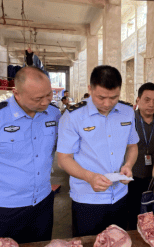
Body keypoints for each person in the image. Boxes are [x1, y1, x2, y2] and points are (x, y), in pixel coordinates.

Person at [0, 67, 61, 243]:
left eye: (49, 95)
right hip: (2, 209)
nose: (45, 102)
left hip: (42, 205)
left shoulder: (53, 114)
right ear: (16, 93)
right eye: (38, 98)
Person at [57, 66, 139, 237]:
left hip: (120, 196)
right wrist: (90, 177)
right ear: (90, 89)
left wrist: (128, 165)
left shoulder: (127, 112)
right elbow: (64, 159)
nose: (107, 104)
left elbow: (132, 145)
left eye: (113, 97)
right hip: (87, 200)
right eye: (101, 97)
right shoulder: (73, 116)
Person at [123, 83, 154, 229]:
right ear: (138, 100)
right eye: (147, 100)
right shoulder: (128, 119)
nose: (151, 104)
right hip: (133, 176)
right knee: (132, 215)